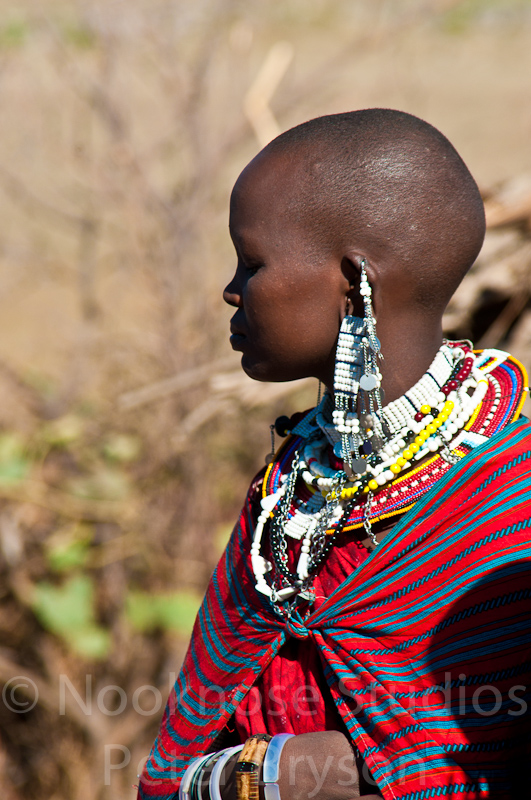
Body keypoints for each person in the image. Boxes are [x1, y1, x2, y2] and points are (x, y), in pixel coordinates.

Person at [137, 109, 531, 800]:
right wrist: (244, 777)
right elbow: (200, 734)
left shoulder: (508, 484)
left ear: (354, 280)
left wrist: (312, 772)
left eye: (251, 263)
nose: (231, 291)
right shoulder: (292, 485)